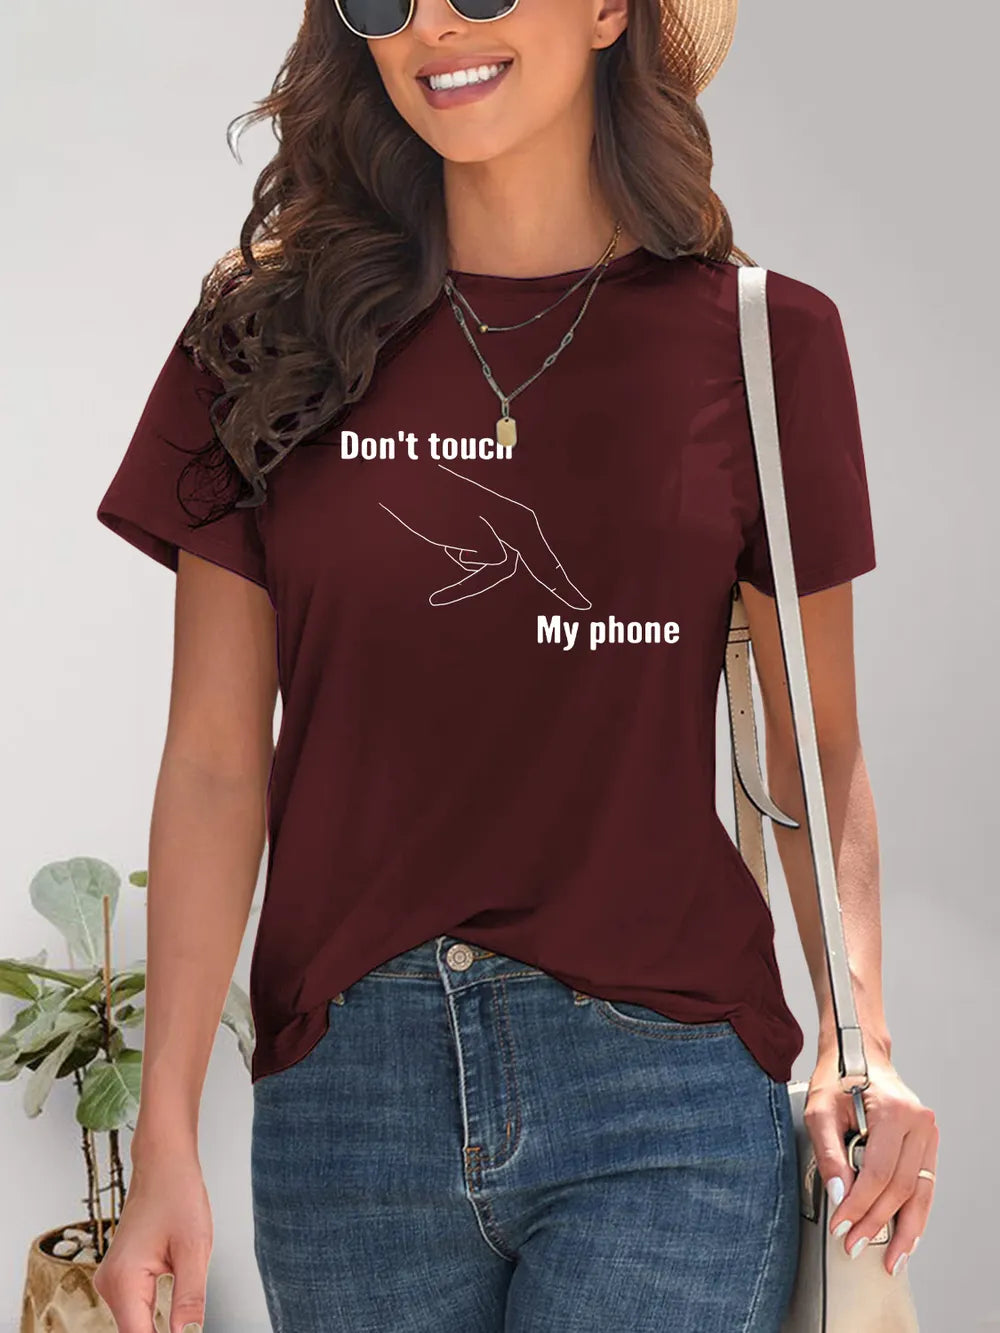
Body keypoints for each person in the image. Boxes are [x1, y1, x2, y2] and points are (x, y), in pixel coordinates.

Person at [91, 0, 939, 1329]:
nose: (432, 24)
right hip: (346, 1112)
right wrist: (164, 1142)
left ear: (611, 8)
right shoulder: (259, 347)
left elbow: (812, 749)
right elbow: (210, 766)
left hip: (662, 1098)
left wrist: (863, 1038)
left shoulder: (768, 347)